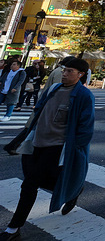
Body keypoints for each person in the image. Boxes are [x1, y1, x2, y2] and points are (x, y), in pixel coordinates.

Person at [0, 58, 94, 240]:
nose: (64, 74)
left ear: (80, 74)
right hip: (36, 143)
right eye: (64, 70)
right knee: (37, 179)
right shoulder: (54, 89)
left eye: (69, 71)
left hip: (56, 146)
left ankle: (13, 228)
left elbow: (86, 129)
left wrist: (74, 150)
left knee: (29, 184)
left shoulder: (84, 95)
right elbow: (39, 111)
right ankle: (74, 190)